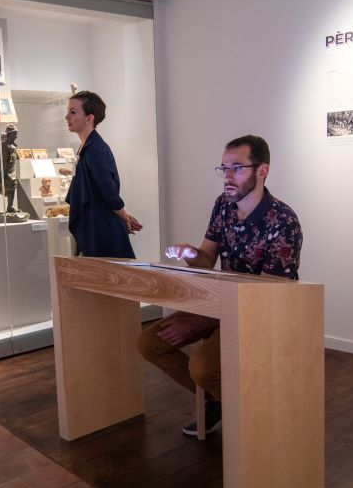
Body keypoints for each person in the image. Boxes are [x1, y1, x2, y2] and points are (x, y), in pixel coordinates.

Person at [137, 134, 302, 436]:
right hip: (222, 303)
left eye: (236, 168)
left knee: (202, 367)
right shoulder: (223, 206)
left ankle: (260, 418)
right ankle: (218, 400)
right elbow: (206, 261)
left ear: (261, 170)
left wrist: (201, 320)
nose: (227, 176)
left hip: (261, 314)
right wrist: (190, 254)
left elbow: (265, 297)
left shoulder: (283, 221)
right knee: (150, 343)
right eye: (223, 168)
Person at [63, 90, 142, 257]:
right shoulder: (87, 148)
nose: (67, 117)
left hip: (103, 230)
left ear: (89, 118)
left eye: (73, 112)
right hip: (96, 227)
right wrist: (125, 216)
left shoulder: (96, 150)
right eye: (67, 112)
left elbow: (109, 192)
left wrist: (125, 217)